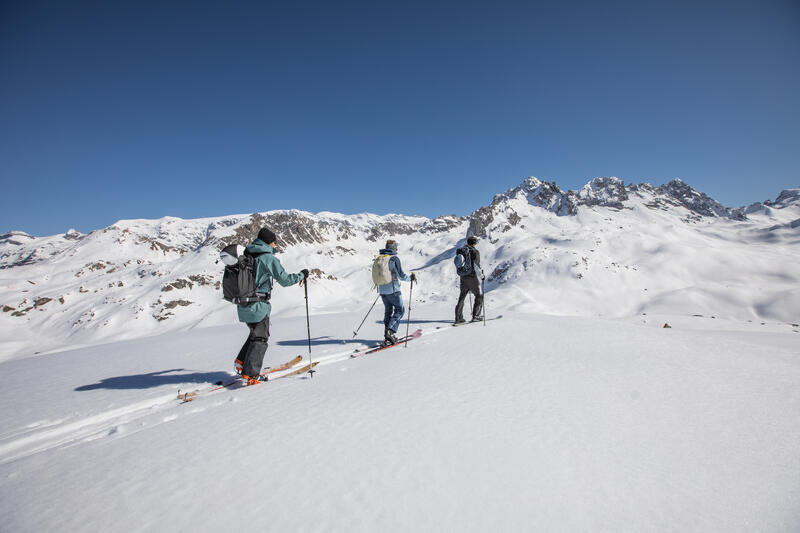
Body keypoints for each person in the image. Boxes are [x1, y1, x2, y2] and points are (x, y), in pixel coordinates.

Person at [234, 227, 309, 385]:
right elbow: (285, 280)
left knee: (255, 333)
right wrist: (302, 275)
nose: (275, 245)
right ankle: (251, 374)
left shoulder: (247, 255)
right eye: (274, 242)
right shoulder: (268, 258)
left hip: (244, 304)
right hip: (258, 305)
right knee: (261, 337)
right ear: (269, 242)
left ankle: (241, 362)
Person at [375, 239, 416, 345]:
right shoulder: (394, 259)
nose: (397, 248)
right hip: (393, 290)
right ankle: (390, 332)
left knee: (388, 312)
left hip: (382, 290)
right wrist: (410, 278)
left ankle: (387, 335)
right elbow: (401, 276)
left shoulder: (381, 257)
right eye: (396, 246)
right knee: (400, 310)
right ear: (393, 248)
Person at [455, 235, 484, 323]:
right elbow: (476, 266)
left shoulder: (461, 251)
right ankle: (476, 316)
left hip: (463, 277)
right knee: (479, 296)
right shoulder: (475, 252)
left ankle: (458, 318)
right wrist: (481, 275)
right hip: (472, 277)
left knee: (462, 296)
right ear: (474, 243)